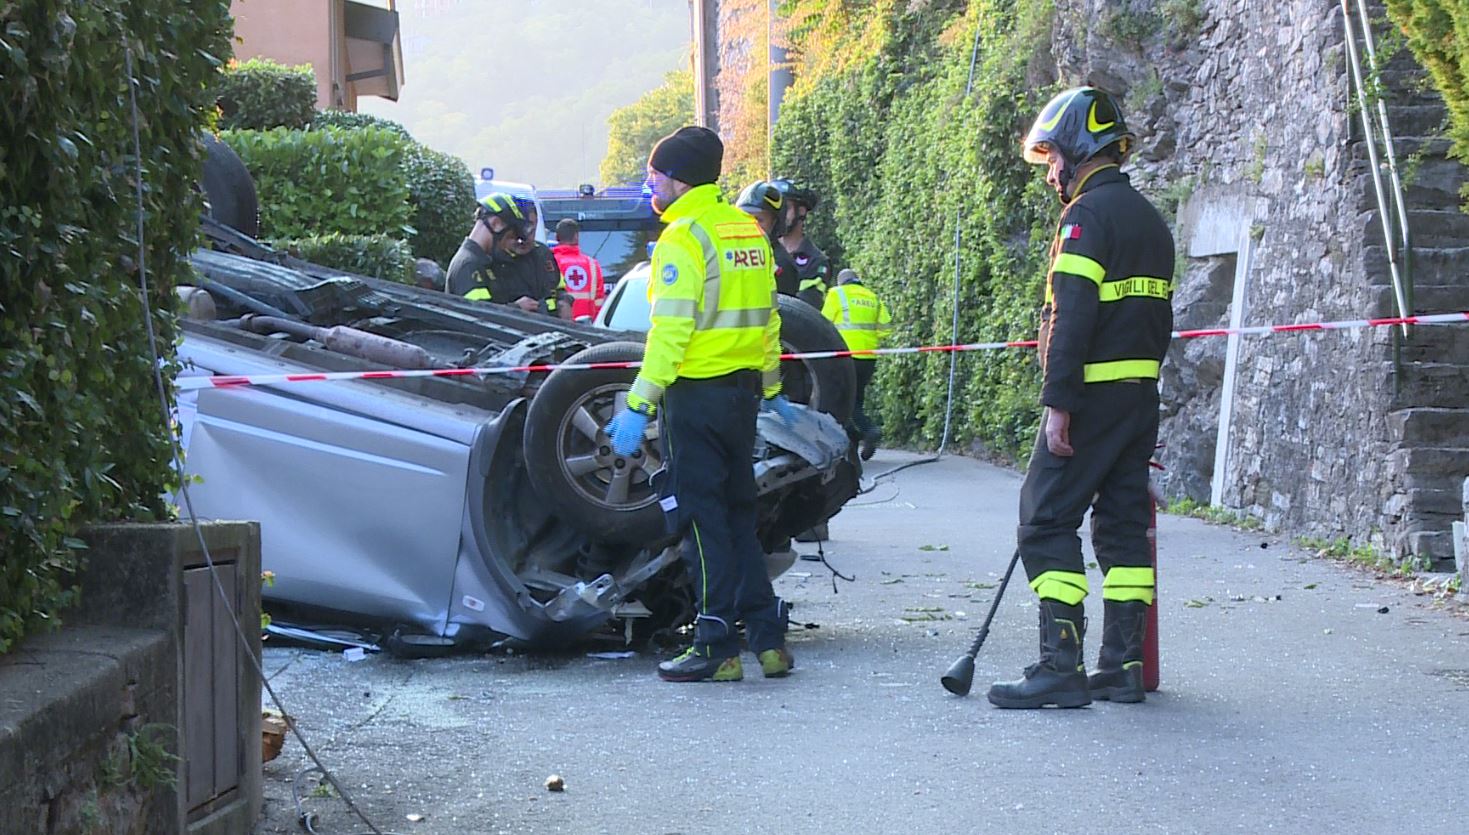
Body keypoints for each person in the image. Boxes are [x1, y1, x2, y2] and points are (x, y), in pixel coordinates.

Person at [987, 87, 1174, 709]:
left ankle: (1058, 665)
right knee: (1122, 528)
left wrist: (1059, 402)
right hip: (1138, 396)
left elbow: (1071, 316)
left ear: (1074, 150)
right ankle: (1122, 665)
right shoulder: (1150, 219)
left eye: (1051, 160)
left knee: (1043, 520)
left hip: (1090, 396)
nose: (1049, 174)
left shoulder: (1085, 219)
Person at [603, 126, 796, 683]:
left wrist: (640, 403)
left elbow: (671, 332)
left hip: (696, 394)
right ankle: (767, 640)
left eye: (654, 174)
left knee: (701, 518)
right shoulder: (745, 230)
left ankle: (714, 642)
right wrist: (772, 385)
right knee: (739, 513)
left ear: (679, 178)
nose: (649, 184)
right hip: (741, 394)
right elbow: (769, 318)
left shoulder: (684, 237)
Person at [446, 193, 570, 318]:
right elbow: (481, 320)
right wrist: (516, 309)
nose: (509, 245)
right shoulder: (468, 265)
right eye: (510, 236)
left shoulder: (481, 261)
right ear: (495, 224)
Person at [821, 268, 891, 460]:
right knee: (856, 397)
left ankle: (867, 430)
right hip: (868, 356)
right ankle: (854, 438)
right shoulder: (872, 296)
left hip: (845, 355)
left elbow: (823, 323)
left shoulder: (836, 294)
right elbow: (885, 329)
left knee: (842, 399)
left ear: (840, 282)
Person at [734, 180, 802, 298]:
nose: (750, 224)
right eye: (745, 217)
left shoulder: (782, 265)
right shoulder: (729, 253)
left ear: (775, 223)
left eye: (758, 220)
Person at [772, 179, 831, 308]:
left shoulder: (816, 262)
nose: (779, 216)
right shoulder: (764, 251)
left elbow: (807, 307)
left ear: (801, 211)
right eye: (775, 210)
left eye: (785, 208)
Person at [549, 218, 606, 322]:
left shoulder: (549, 262)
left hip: (558, 324)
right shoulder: (592, 264)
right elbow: (599, 302)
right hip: (587, 327)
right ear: (576, 237)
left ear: (556, 237)